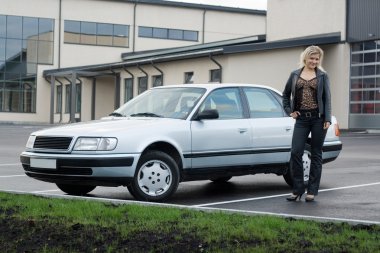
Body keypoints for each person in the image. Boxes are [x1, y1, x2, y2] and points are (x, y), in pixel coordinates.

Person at [282, 45, 331, 202]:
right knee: (296, 152)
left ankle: (312, 190)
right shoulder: (295, 74)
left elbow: (327, 99)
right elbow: (285, 95)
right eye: (312, 58)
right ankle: (297, 189)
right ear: (305, 58)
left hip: (318, 119)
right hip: (301, 119)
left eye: (317, 59)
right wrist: (290, 111)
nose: (314, 61)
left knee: (316, 154)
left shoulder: (323, 76)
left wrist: (327, 118)